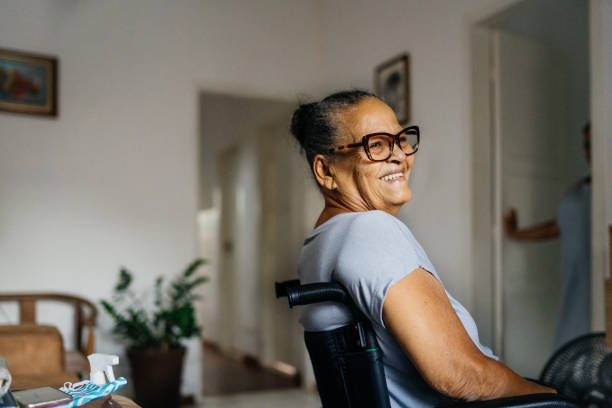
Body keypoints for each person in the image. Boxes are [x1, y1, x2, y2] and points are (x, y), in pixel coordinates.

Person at [291, 90, 556, 407]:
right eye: (376, 144)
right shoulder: (369, 228)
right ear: (326, 170)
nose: (400, 155)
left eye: (401, 139)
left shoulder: (318, 244)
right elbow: (462, 376)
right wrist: (555, 398)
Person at [504, 123, 591, 351]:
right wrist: (516, 233)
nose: (589, 151)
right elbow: (557, 226)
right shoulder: (580, 188)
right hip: (575, 285)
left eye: (594, 143)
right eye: (586, 145)